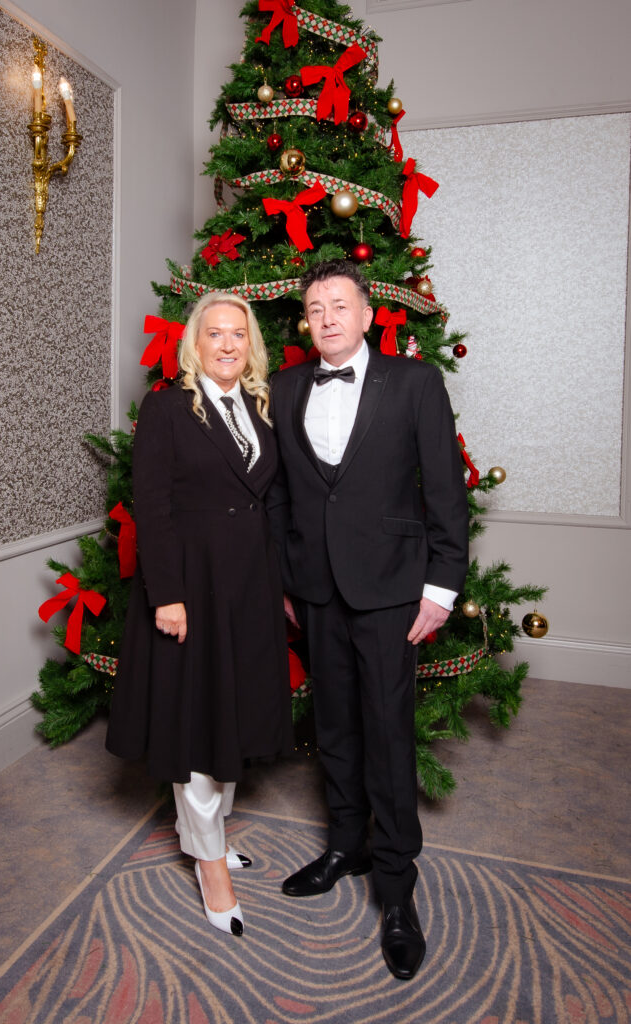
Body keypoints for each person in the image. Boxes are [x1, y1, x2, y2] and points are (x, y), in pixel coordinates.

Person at [266, 260, 469, 979]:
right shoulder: (285, 387)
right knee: (334, 730)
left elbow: (444, 488)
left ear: (367, 315)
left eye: (339, 305)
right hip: (317, 589)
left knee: (386, 735)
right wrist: (286, 578)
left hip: (390, 590)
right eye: (315, 307)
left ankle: (396, 888)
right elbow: (281, 495)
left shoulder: (414, 383)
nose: (326, 317)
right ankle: (345, 845)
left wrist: (440, 588)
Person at [106, 292, 293, 937]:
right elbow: (151, 506)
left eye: (238, 334)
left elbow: (269, 504)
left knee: (229, 717)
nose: (227, 344)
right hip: (192, 589)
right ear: (195, 343)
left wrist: (281, 585)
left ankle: (205, 836)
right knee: (196, 727)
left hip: (250, 589)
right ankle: (212, 866)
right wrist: (167, 594)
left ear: (251, 345)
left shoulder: (260, 408)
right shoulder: (167, 408)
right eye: (215, 333)